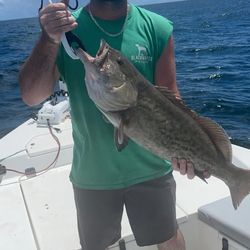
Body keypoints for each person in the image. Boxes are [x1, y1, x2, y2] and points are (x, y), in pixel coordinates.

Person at [19, 0, 209, 249]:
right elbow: (31, 96)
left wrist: (187, 150)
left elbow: (172, 102)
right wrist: (49, 38)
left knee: (168, 237)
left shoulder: (157, 28)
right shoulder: (65, 31)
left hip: (153, 169)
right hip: (92, 173)